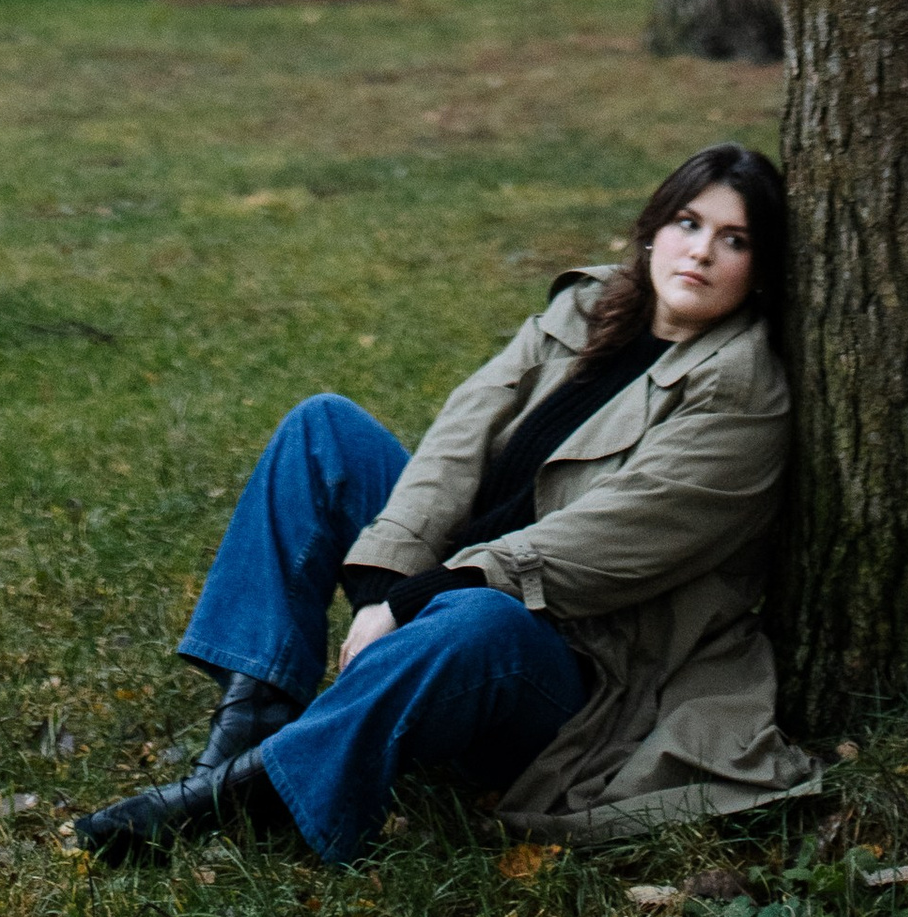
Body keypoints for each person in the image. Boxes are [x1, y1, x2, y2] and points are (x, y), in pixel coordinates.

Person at [73, 140, 819, 865]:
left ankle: (254, 791)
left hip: (572, 669)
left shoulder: (740, 393)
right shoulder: (589, 306)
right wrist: (387, 578)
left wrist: (423, 595)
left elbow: (600, 545)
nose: (700, 253)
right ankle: (246, 729)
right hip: (460, 588)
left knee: (482, 612)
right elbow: (461, 435)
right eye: (689, 224)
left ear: (758, 272)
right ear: (653, 230)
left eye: (735, 240)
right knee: (323, 430)